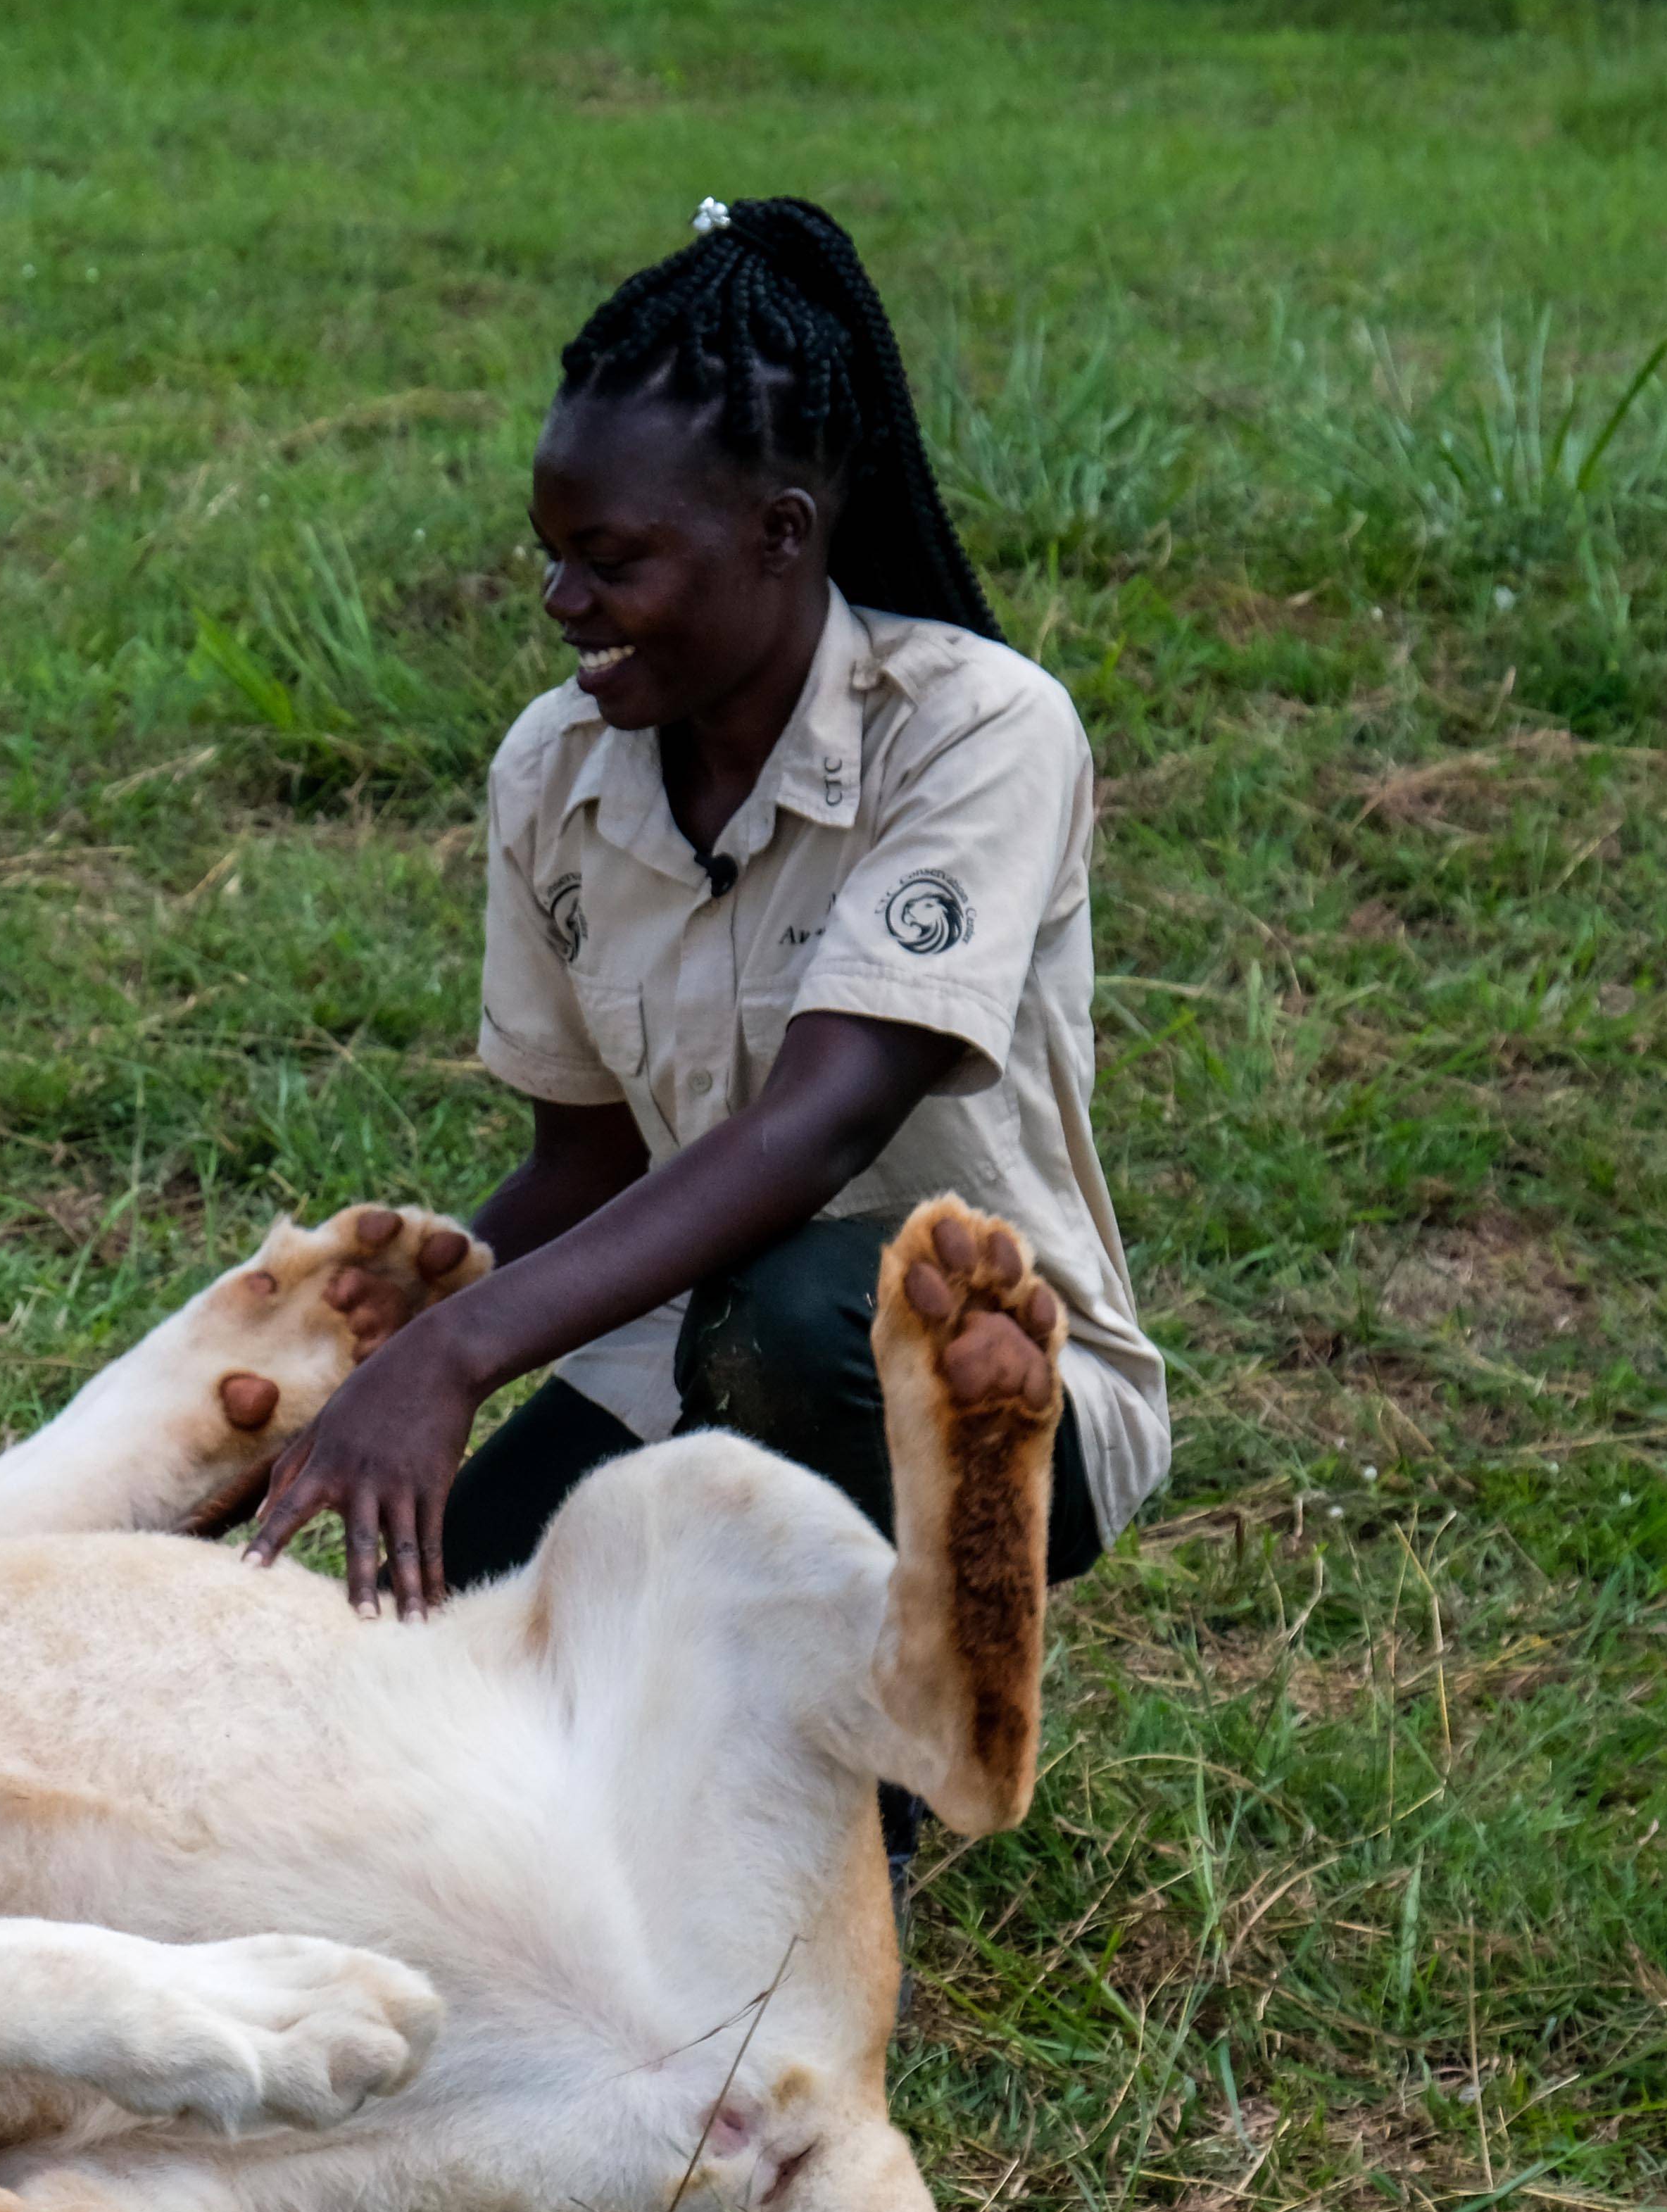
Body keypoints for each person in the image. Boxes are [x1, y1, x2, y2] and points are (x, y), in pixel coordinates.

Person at [243, 195, 1167, 1889]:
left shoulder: (977, 731)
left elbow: (820, 1125)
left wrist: (456, 1363)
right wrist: (378, 1330)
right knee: (399, 1678)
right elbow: (586, 1162)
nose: (560, 597)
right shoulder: (556, 769)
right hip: (671, 1364)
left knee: (810, 1312)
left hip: (983, 1407)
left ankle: (832, 1846)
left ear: (784, 532)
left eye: (614, 561)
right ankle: (695, 1747)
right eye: (553, 548)